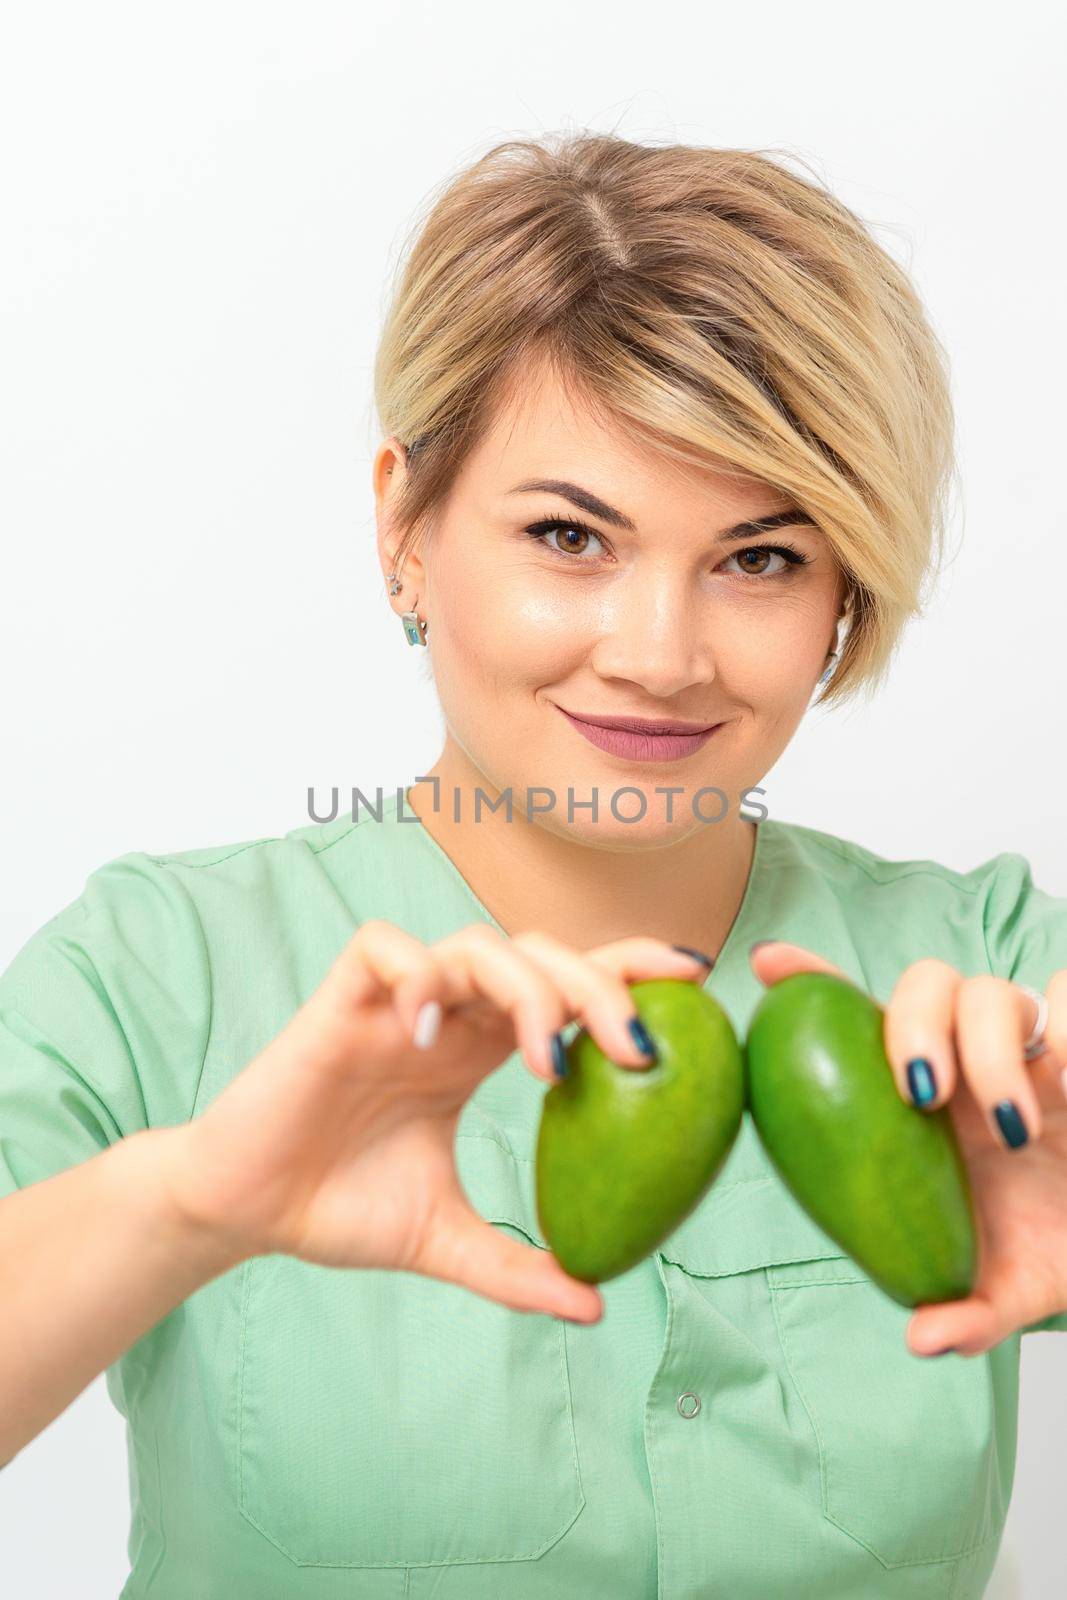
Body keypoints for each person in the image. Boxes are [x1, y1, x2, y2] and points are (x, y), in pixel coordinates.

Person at [1, 130, 1064, 1600]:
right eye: (571, 534)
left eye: (761, 557)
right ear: (406, 527)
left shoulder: (1001, 978)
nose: (658, 654)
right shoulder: (155, 972)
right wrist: (189, 1203)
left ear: (845, 596)